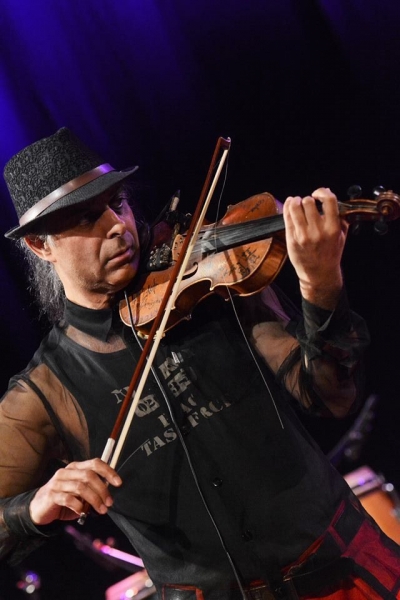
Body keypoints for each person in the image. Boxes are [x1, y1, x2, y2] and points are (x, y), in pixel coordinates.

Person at [0, 127, 399, 600]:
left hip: (342, 572)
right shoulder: (48, 389)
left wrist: (321, 284)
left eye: (118, 203)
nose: (117, 225)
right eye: (88, 217)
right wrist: (36, 506)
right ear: (40, 245)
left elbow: (331, 395)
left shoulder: (214, 288)